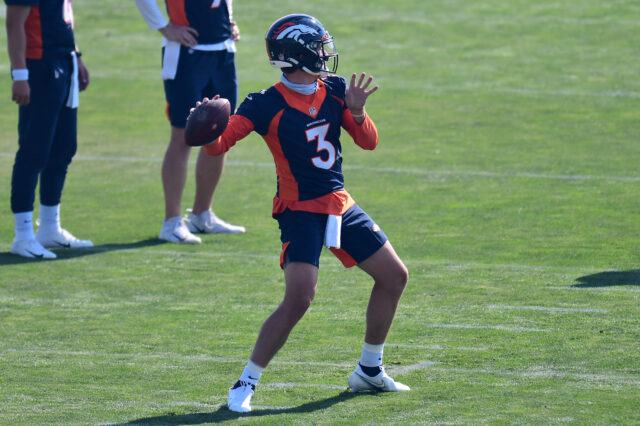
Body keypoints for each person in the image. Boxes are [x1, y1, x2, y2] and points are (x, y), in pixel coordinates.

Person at [195, 14, 410, 412]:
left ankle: (369, 369)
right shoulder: (264, 104)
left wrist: (359, 112)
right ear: (297, 55)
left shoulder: (334, 90)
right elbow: (221, 144)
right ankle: (246, 381)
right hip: (299, 210)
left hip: (339, 204)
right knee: (299, 298)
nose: (325, 55)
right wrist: (208, 130)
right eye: (318, 48)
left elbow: (369, 142)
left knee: (395, 276)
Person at [134, 0, 245, 244]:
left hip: (223, 52)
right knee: (183, 136)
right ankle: (171, 222)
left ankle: (201, 214)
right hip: (186, 54)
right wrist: (163, 27)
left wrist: (229, 20)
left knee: (219, 132)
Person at [5, 0, 93, 259]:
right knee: (34, 151)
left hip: (64, 60)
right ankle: (22, 236)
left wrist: (76, 55)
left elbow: (60, 17)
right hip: (39, 64)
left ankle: (50, 227)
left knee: (64, 147)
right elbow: (14, 23)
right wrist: (20, 75)